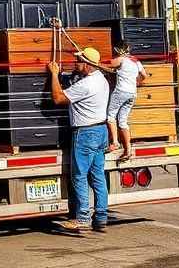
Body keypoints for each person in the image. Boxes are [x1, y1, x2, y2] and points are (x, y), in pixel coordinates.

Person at [47, 47, 110, 233]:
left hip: (85, 133)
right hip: (101, 131)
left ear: (88, 65)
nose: (76, 63)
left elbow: (58, 98)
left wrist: (54, 74)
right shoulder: (102, 80)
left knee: (79, 175)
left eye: (79, 61)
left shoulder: (86, 85)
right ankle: (101, 217)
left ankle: (83, 217)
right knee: (98, 175)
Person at [106, 42, 148, 161]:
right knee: (123, 121)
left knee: (110, 116)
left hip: (121, 91)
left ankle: (115, 142)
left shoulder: (121, 60)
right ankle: (128, 150)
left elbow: (106, 65)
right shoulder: (136, 61)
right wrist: (137, 82)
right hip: (132, 93)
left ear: (119, 50)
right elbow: (144, 75)